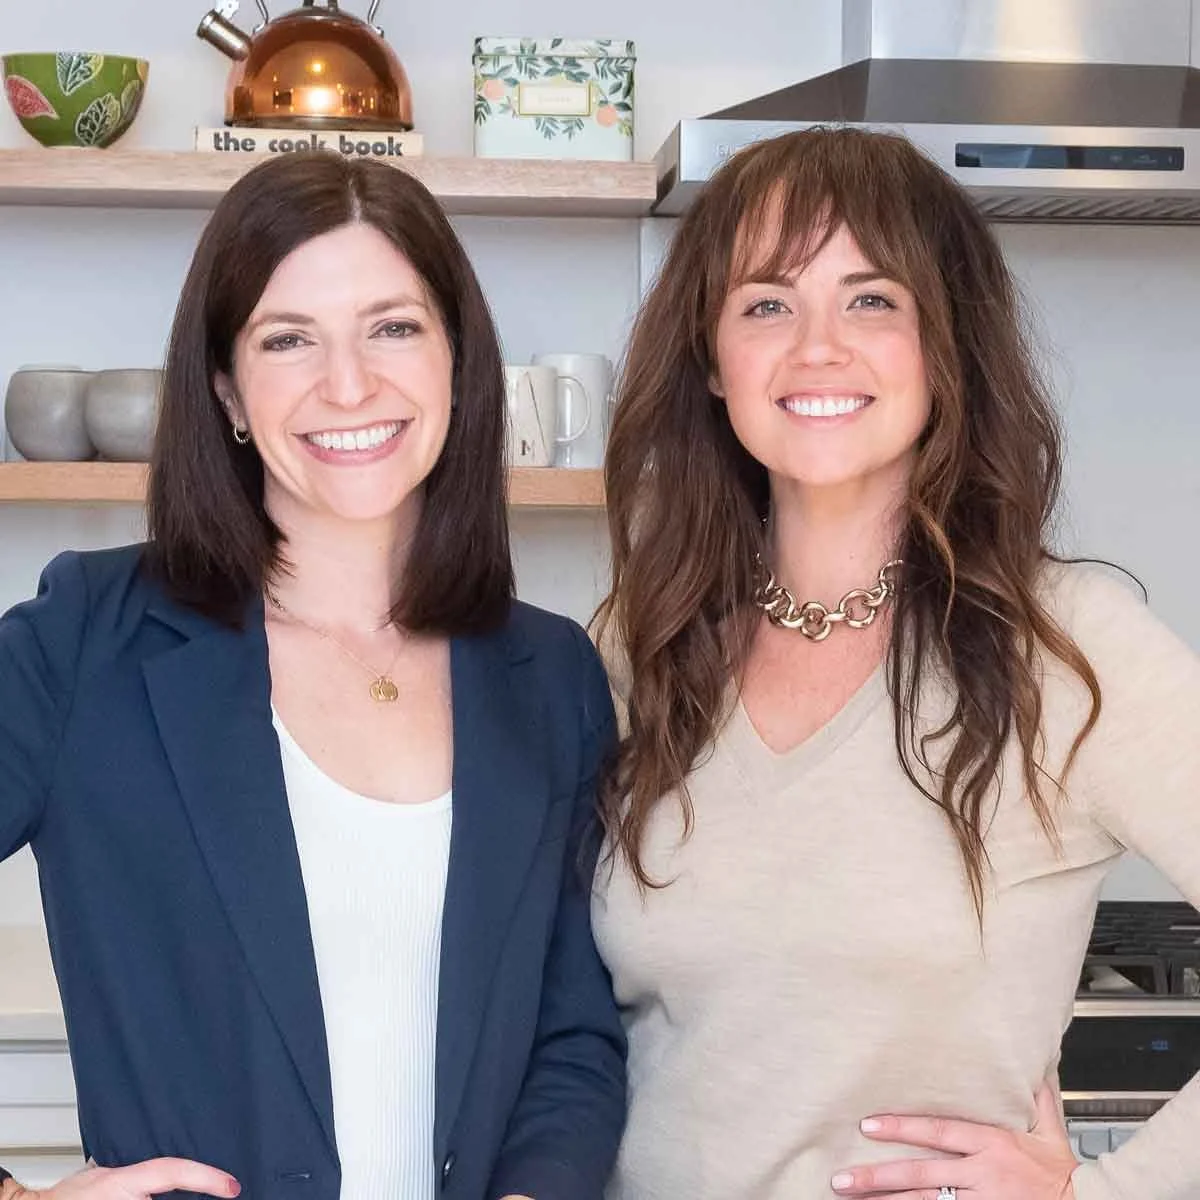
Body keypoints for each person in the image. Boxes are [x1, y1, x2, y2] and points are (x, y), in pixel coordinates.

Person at [591, 125, 1200, 1200]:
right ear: (711, 359)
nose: (817, 347)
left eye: (872, 301)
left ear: (946, 346)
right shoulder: (642, 645)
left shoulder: (1066, 645)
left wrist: (1109, 1195)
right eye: (766, 304)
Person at [0, 152, 625, 1200]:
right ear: (228, 392)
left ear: (459, 362)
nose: (349, 384)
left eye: (393, 327)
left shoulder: (550, 674)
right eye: (288, 340)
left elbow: (574, 1031)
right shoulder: (89, 643)